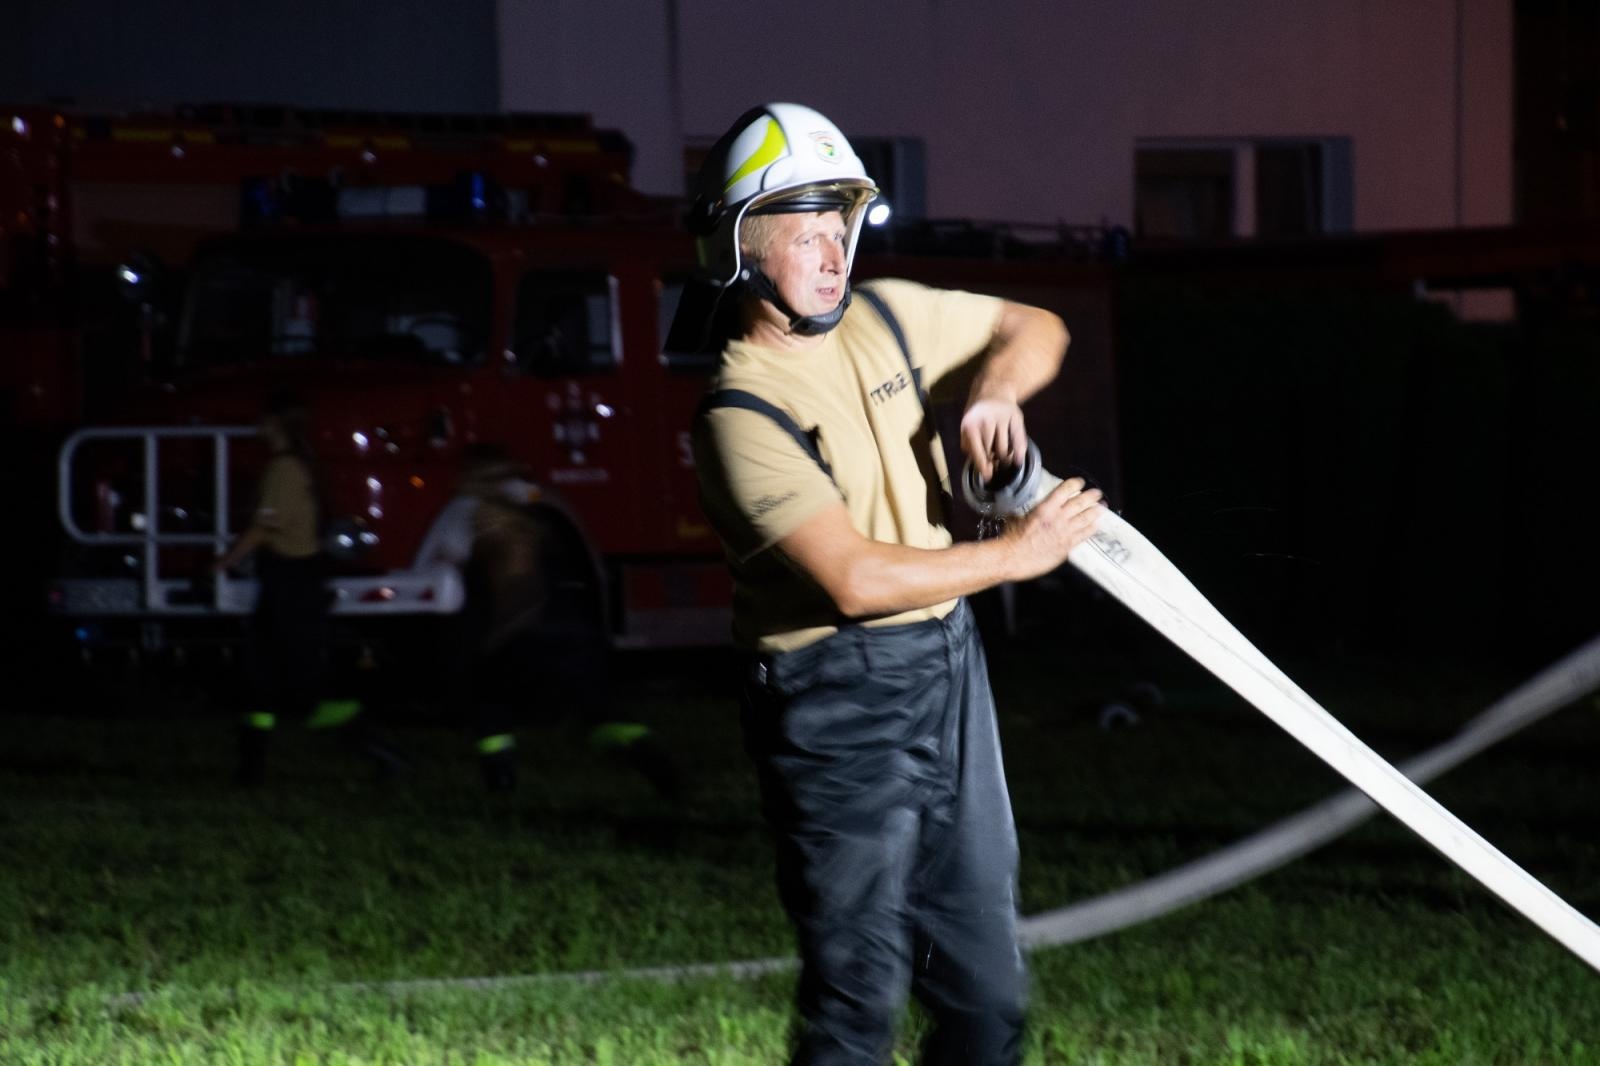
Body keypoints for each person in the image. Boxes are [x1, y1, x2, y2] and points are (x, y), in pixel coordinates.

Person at [683, 104, 1104, 1065]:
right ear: (739, 248)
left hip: (948, 667)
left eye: (843, 228)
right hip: (835, 698)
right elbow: (855, 578)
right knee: (856, 1002)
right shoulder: (740, 415)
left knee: (987, 1001)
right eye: (807, 232)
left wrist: (993, 390)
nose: (835, 255)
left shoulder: (881, 316)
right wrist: (1019, 553)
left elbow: (1034, 324)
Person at [425, 444, 679, 797]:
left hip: (521, 633)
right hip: (572, 630)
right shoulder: (536, 513)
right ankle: (657, 766)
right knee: (597, 707)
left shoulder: (464, 512)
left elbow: (435, 566)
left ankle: (501, 781)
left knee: (489, 703)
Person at [214, 390, 399, 784]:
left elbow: (265, 527)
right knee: (260, 677)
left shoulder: (284, 469)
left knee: (302, 683)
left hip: (291, 584)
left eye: (264, 420)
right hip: (293, 581)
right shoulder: (299, 465)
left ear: (276, 425)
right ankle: (250, 769)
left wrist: (224, 562)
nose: (258, 427)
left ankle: (375, 746)